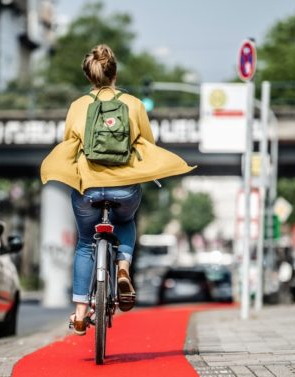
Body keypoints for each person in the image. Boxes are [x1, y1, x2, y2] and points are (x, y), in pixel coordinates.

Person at [40, 44, 193, 335]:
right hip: (124, 189)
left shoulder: (77, 106)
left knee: (86, 243)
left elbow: (69, 145)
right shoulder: (133, 104)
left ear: (89, 76)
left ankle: (82, 313)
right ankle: (123, 266)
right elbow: (147, 142)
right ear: (114, 73)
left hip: (88, 190)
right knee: (125, 221)